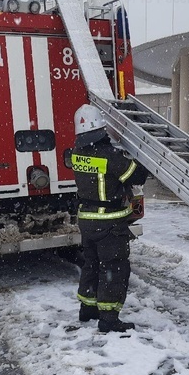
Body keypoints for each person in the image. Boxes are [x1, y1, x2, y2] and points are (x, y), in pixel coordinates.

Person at [71, 104, 149, 333]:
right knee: (113, 268)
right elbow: (137, 175)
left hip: (86, 220)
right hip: (109, 222)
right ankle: (108, 318)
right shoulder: (109, 156)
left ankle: (87, 309)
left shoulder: (77, 154)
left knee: (91, 265)